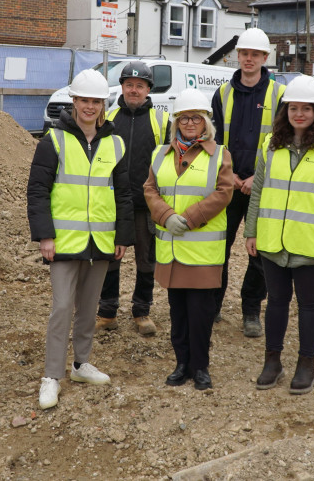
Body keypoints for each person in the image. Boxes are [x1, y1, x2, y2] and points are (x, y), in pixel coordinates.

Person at [27, 69, 134, 410]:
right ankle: (51, 375)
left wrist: (122, 236)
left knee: (89, 308)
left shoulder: (115, 143)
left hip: (101, 242)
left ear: (104, 104)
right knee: (61, 308)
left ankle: (81, 364)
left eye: (96, 101)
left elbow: (124, 194)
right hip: (63, 242)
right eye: (84, 100)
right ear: (74, 101)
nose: (90, 106)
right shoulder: (54, 140)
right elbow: (38, 191)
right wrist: (45, 235)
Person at [244, 75, 314, 394]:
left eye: (307, 108)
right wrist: (251, 231)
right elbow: (259, 190)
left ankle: (306, 364)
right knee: (276, 302)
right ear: (285, 111)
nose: (299, 114)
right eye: (294, 108)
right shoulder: (270, 144)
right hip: (272, 240)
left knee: (308, 304)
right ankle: (272, 361)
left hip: (311, 243)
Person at [144, 88, 234, 390]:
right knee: (177, 312)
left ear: (206, 121)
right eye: (184, 118)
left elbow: (224, 192)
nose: (190, 122)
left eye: (196, 117)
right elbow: (150, 190)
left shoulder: (220, 155)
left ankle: (201, 366)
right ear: (176, 122)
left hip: (202, 253)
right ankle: (181, 364)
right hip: (171, 249)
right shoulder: (161, 154)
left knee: (201, 314)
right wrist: (165, 215)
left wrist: (192, 217)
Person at [211, 27, 284, 338]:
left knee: (259, 250)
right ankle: (212, 304)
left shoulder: (279, 95)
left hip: (262, 186)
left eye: (255, 54)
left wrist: (257, 177)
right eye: (244, 53)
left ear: (265, 57)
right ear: (237, 56)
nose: (249, 59)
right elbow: (212, 141)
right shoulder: (222, 94)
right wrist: (231, 176)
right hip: (228, 184)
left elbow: (282, 141)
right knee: (217, 247)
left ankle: (251, 309)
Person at [96, 61, 170, 337]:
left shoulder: (161, 121)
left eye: (140, 85)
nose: (134, 90)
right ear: (122, 87)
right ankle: (107, 312)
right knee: (109, 258)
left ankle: (142, 311)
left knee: (146, 261)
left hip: (145, 205)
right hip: (112, 204)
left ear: (148, 89)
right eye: (129, 85)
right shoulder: (109, 118)